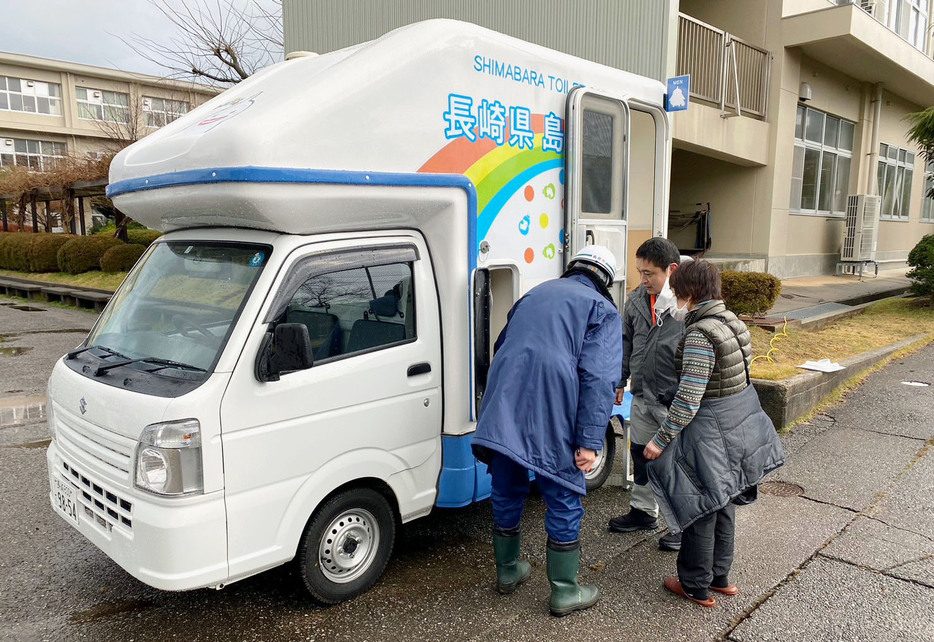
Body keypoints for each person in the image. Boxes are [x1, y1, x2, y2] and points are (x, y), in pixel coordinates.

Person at [472, 245, 623, 617]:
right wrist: (589, 440)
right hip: (553, 402)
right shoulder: (600, 308)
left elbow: (501, 344)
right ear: (605, 279)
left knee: (506, 484)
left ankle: (507, 572)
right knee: (562, 490)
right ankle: (564, 591)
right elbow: (599, 377)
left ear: (573, 268)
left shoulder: (534, 293)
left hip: (505, 396)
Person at [644, 259, 785, 607]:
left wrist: (659, 441)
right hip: (738, 422)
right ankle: (720, 577)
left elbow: (690, 398)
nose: (674, 298)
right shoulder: (733, 322)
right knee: (724, 499)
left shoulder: (700, 334)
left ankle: (694, 584)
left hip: (709, 429)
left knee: (700, 504)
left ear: (690, 293)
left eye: (677, 293)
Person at [607, 237, 685, 552]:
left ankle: (683, 524)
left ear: (672, 270)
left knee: (676, 464)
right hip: (642, 395)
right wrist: (620, 380)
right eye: (640, 272)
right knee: (640, 454)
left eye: (650, 273)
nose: (643, 280)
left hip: (674, 400)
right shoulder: (637, 299)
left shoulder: (687, 302)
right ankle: (643, 512)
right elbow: (626, 341)